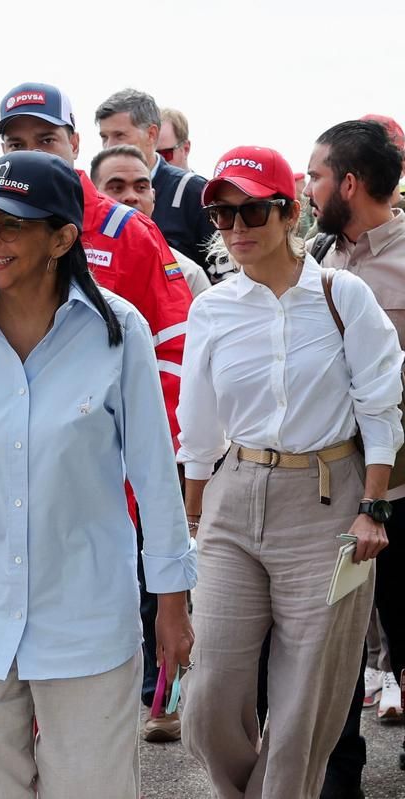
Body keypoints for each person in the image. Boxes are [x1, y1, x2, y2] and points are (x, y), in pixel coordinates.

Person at [0, 149, 196, 798]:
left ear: (62, 238)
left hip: (87, 618)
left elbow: (153, 475)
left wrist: (172, 602)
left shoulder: (119, 331)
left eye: (11, 225)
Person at [178, 145, 403, 799]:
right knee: (210, 693)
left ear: (288, 212)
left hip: (328, 499)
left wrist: (374, 507)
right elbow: (198, 428)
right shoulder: (212, 308)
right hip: (234, 494)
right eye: (222, 215)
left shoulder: (342, 295)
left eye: (252, 211)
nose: (237, 227)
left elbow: (380, 406)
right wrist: (191, 518)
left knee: (306, 698)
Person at [304, 120, 405, 798]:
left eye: (315, 175)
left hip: (400, 486)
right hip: (329, 485)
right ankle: (339, 774)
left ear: (348, 183)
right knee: (331, 635)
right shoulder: (315, 257)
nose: (306, 188)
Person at [96, 89, 214, 269]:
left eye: (119, 135)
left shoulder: (192, 191)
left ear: (151, 134)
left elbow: (222, 273)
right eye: (104, 137)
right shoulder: (94, 193)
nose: (109, 146)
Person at [91, 144, 211, 295]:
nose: (131, 197)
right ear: (92, 196)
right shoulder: (72, 264)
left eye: (141, 187)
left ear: (153, 196)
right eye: (117, 188)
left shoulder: (188, 275)